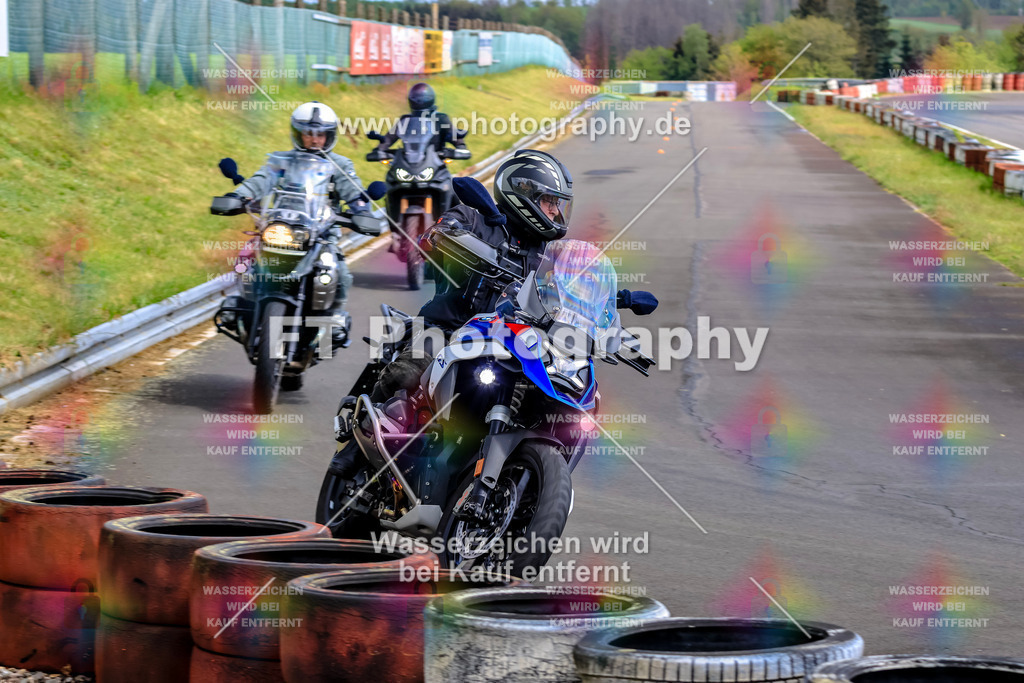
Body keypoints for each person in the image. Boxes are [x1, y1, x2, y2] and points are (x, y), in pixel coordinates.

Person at [368, 149, 658, 402]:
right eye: (549, 202)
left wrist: (611, 297)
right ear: (524, 193)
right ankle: (357, 444)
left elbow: (571, 286)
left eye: (559, 204)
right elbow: (438, 234)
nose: (556, 212)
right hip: (448, 328)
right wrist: (448, 236)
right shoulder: (476, 218)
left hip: (511, 342)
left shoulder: (549, 253)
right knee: (407, 373)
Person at [221, 101, 373, 345]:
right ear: (297, 133)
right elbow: (261, 180)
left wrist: (361, 210)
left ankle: (332, 317)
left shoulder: (340, 165)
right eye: (308, 134)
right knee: (247, 261)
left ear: (329, 136)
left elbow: (354, 193)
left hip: (321, 234)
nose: (314, 140)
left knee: (339, 273)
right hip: (279, 228)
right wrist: (237, 196)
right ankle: (237, 305)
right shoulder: (281, 160)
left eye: (320, 135)